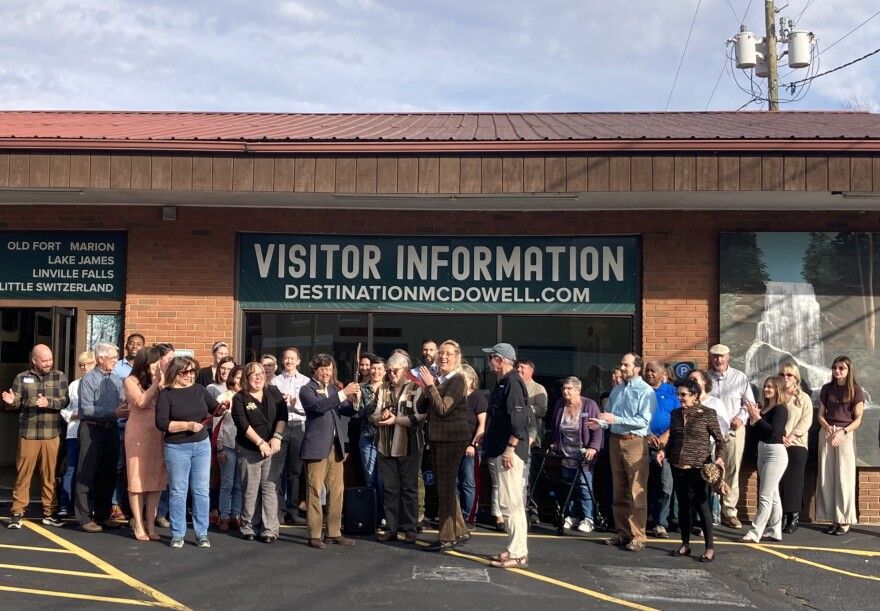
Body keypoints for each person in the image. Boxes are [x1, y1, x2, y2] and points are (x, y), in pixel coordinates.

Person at [588, 353, 656, 552]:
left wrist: (614, 420)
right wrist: (599, 423)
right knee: (619, 489)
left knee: (636, 490)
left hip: (634, 442)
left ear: (637, 368)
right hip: (615, 441)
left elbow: (644, 421)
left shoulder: (646, 391)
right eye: (622, 365)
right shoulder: (617, 390)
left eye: (626, 365)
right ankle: (623, 532)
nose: (622, 368)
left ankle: (638, 535)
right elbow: (607, 416)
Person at [156, 356, 223, 549]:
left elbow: (215, 409)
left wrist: (223, 406)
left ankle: (202, 533)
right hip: (177, 447)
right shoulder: (166, 394)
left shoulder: (200, 390)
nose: (189, 375)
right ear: (175, 373)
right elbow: (161, 423)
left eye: (192, 371)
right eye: (185, 372)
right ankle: (178, 533)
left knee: (201, 490)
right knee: (178, 491)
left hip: (200, 445)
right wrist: (185, 425)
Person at [659, 378, 726, 563]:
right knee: (683, 504)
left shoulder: (707, 414)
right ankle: (685, 543)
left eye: (684, 395)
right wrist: (664, 452)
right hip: (677, 464)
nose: (680, 398)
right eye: (678, 394)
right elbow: (673, 439)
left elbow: (720, 440)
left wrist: (719, 457)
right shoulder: (675, 414)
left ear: (695, 396)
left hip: (698, 466)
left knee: (701, 504)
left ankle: (709, 547)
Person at [2, 344, 69, 529]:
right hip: (29, 433)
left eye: (50, 360)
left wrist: (50, 402)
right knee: (24, 474)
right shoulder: (22, 378)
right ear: (34, 360)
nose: (48, 363)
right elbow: (15, 401)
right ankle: (17, 512)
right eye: (44, 360)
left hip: (51, 434)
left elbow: (65, 400)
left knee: (49, 476)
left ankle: (50, 512)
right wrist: (10, 402)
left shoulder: (59, 376)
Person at [299, 353, 360, 549]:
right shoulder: (307, 389)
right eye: (323, 369)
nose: (327, 372)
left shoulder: (334, 389)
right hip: (316, 447)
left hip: (335, 446)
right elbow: (318, 406)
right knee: (315, 491)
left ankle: (333, 532)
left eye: (329, 368)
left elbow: (347, 410)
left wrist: (356, 400)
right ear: (314, 370)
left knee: (336, 491)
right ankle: (314, 534)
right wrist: (343, 394)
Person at [419, 340, 472, 552]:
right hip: (438, 440)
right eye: (441, 353)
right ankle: (460, 530)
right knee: (446, 486)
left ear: (457, 358)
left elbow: (443, 408)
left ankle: (447, 536)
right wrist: (427, 387)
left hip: (451, 439)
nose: (443, 357)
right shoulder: (439, 379)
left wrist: (431, 386)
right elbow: (423, 406)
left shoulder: (458, 380)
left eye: (448, 354)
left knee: (446, 488)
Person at [481, 342, 530, 568]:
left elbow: (518, 420)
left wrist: (510, 447)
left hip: (508, 451)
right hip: (500, 448)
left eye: (491, 357)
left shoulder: (512, 383)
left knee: (511, 502)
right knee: (509, 502)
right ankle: (513, 547)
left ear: (500, 360)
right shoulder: (504, 383)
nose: (489, 360)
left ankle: (518, 553)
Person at [75, 342, 129, 533]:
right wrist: (114, 412)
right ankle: (84, 517)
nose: (116, 361)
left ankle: (103, 514)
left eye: (116, 358)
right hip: (92, 430)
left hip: (112, 429)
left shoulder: (116, 379)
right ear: (100, 359)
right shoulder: (88, 380)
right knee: (87, 473)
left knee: (109, 472)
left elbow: (122, 402)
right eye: (112, 358)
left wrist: (123, 409)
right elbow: (87, 409)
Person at [232, 361, 287, 543]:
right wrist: (260, 443)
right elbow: (243, 424)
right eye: (253, 374)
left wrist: (277, 437)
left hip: (274, 448)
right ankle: (249, 526)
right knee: (250, 488)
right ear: (246, 378)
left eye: (260, 373)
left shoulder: (274, 392)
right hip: (250, 449)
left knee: (270, 488)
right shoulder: (240, 398)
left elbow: (282, 416)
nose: (257, 377)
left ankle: (270, 529)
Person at [373, 351, 425, 543]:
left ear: (405, 370)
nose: (391, 374)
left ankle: (410, 528)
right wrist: (382, 418)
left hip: (409, 446)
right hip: (385, 446)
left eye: (395, 370)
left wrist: (397, 420)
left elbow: (420, 417)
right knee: (390, 489)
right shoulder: (383, 389)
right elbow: (373, 415)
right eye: (389, 370)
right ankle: (391, 528)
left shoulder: (416, 388)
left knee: (409, 489)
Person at [707, 344, 755, 529]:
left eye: (722, 357)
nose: (718, 360)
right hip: (711, 432)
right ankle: (712, 511)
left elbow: (749, 403)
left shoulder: (739, 377)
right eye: (715, 357)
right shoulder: (706, 378)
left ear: (728, 357)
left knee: (732, 470)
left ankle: (729, 512)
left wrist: (741, 418)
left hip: (734, 430)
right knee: (711, 471)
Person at [816, 356, 864, 536]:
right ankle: (833, 518)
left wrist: (842, 432)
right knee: (827, 476)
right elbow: (820, 414)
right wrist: (827, 426)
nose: (837, 371)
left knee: (844, 477)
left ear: (848, 370)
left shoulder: (855, 390)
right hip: (827, 432)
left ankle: (844, 520)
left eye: (841, 368)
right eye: (835, 367)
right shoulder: (827, 389)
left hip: (845, 433)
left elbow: (858, 418)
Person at [123, 346, 168, 541]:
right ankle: (138, 524)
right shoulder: (130, 381)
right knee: (137, 479)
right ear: (145, 363)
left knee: (155, 480)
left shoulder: (159, 381)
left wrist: (162, 384)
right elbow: (141, 402)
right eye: (155, 362)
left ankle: (151, 524)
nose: (159, 366)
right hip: (138, 432)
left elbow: (168, 401)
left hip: (157, 432)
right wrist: (155, 383)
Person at [551, 376, 601, 532]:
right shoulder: (560, 404)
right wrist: (556, 443)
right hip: (567, 453)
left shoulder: (589, 405)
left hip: (584, 454)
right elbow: (554, 425)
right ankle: (571, 516)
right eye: (564, 388)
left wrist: (593, 447)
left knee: (584, 486)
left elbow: (598, 428)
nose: (565, 391)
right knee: (568, 486)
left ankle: (588, 518)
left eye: (569, 388)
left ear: (578, 390)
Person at [742, 376, 789, 543]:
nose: (767, 389)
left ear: (778, 390)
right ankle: (775, 530)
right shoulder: (763, 409)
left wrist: (758, 419)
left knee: (764, 496)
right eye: (766, 386)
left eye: (771, 387)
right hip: (762, 451)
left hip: (775, 454)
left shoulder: (780, 409)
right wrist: (753, 420)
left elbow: (774, 433)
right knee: (772, 493)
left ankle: (755, 532)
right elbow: (757, 433)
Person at [269, 347, 310, 525]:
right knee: (276, 471)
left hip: (299, 425)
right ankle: (278, 510)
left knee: (295, 471)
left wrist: (296, 405)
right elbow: (271, 407)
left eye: (292, 358)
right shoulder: (274, 381)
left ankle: (293, 511)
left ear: (298, 361)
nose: (289, 361)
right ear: (282, 360)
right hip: (281, 427)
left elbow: (308, 407)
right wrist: (283, 403)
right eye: (286, 358)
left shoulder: (307, 381)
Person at [644, 359, 679, 539]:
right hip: (644, 445)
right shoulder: (640, 391)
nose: (649, 374)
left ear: (662, 374)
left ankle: (660, 523)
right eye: (647, 370)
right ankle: (644, 521)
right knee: (644, 486)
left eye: (653, 371)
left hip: (665, 448)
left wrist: (666, 435)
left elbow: (679, 418)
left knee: (665, 486)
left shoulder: (672, 393)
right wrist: (647, 432)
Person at [59, 352, 95, 518]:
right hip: (74, 432)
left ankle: (87, 506)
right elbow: (65, 410)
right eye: (82, 365)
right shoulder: (74, 385)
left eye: (88, 364)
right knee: (72, 468)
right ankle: (65, 504)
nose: (85, 368)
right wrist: (75, 414)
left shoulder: (100, 384)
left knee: (89, 469)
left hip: (92, 433)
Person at [778, 362, 813, 534]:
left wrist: (791, 437)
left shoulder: (803, 398)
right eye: (783, 375)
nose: (786, 378)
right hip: (777, 445)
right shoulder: (776, 396)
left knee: (794, 482)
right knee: (780, 481)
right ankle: (782, 516)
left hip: (797, 445)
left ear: (796, 378)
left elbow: (806, 421)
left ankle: (793, 517)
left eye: (789, 375)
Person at [356, 354, 386, 527]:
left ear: (385, 372)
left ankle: (383, 514)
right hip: (367, 438)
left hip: (386, 439)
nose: (375, 371)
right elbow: (360, 412)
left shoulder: (389, 388)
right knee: (370, 479)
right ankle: (372, 515)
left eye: (379, 369)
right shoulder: (363, 388)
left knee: (383, 480)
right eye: (373, 368)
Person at [457, 363, 486, 525]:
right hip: (454, 447)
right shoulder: (456, 396)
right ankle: (455, 515)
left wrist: (473, 445)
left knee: (468, 482)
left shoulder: (477, 397)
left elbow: (483, 424)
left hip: (470, 447)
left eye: (463, 378)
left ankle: (468, 517)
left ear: (472, 380)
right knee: (453, 482)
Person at [215, 365, 243, 531]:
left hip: (243, 447)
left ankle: (236, 515)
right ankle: (224, 516)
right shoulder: (223, 397)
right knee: (227, 483)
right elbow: (216, 424)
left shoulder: (248, 397)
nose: (240, 380)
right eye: (238, 376)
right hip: (227, 445)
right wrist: (219, 448)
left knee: (239, 484)